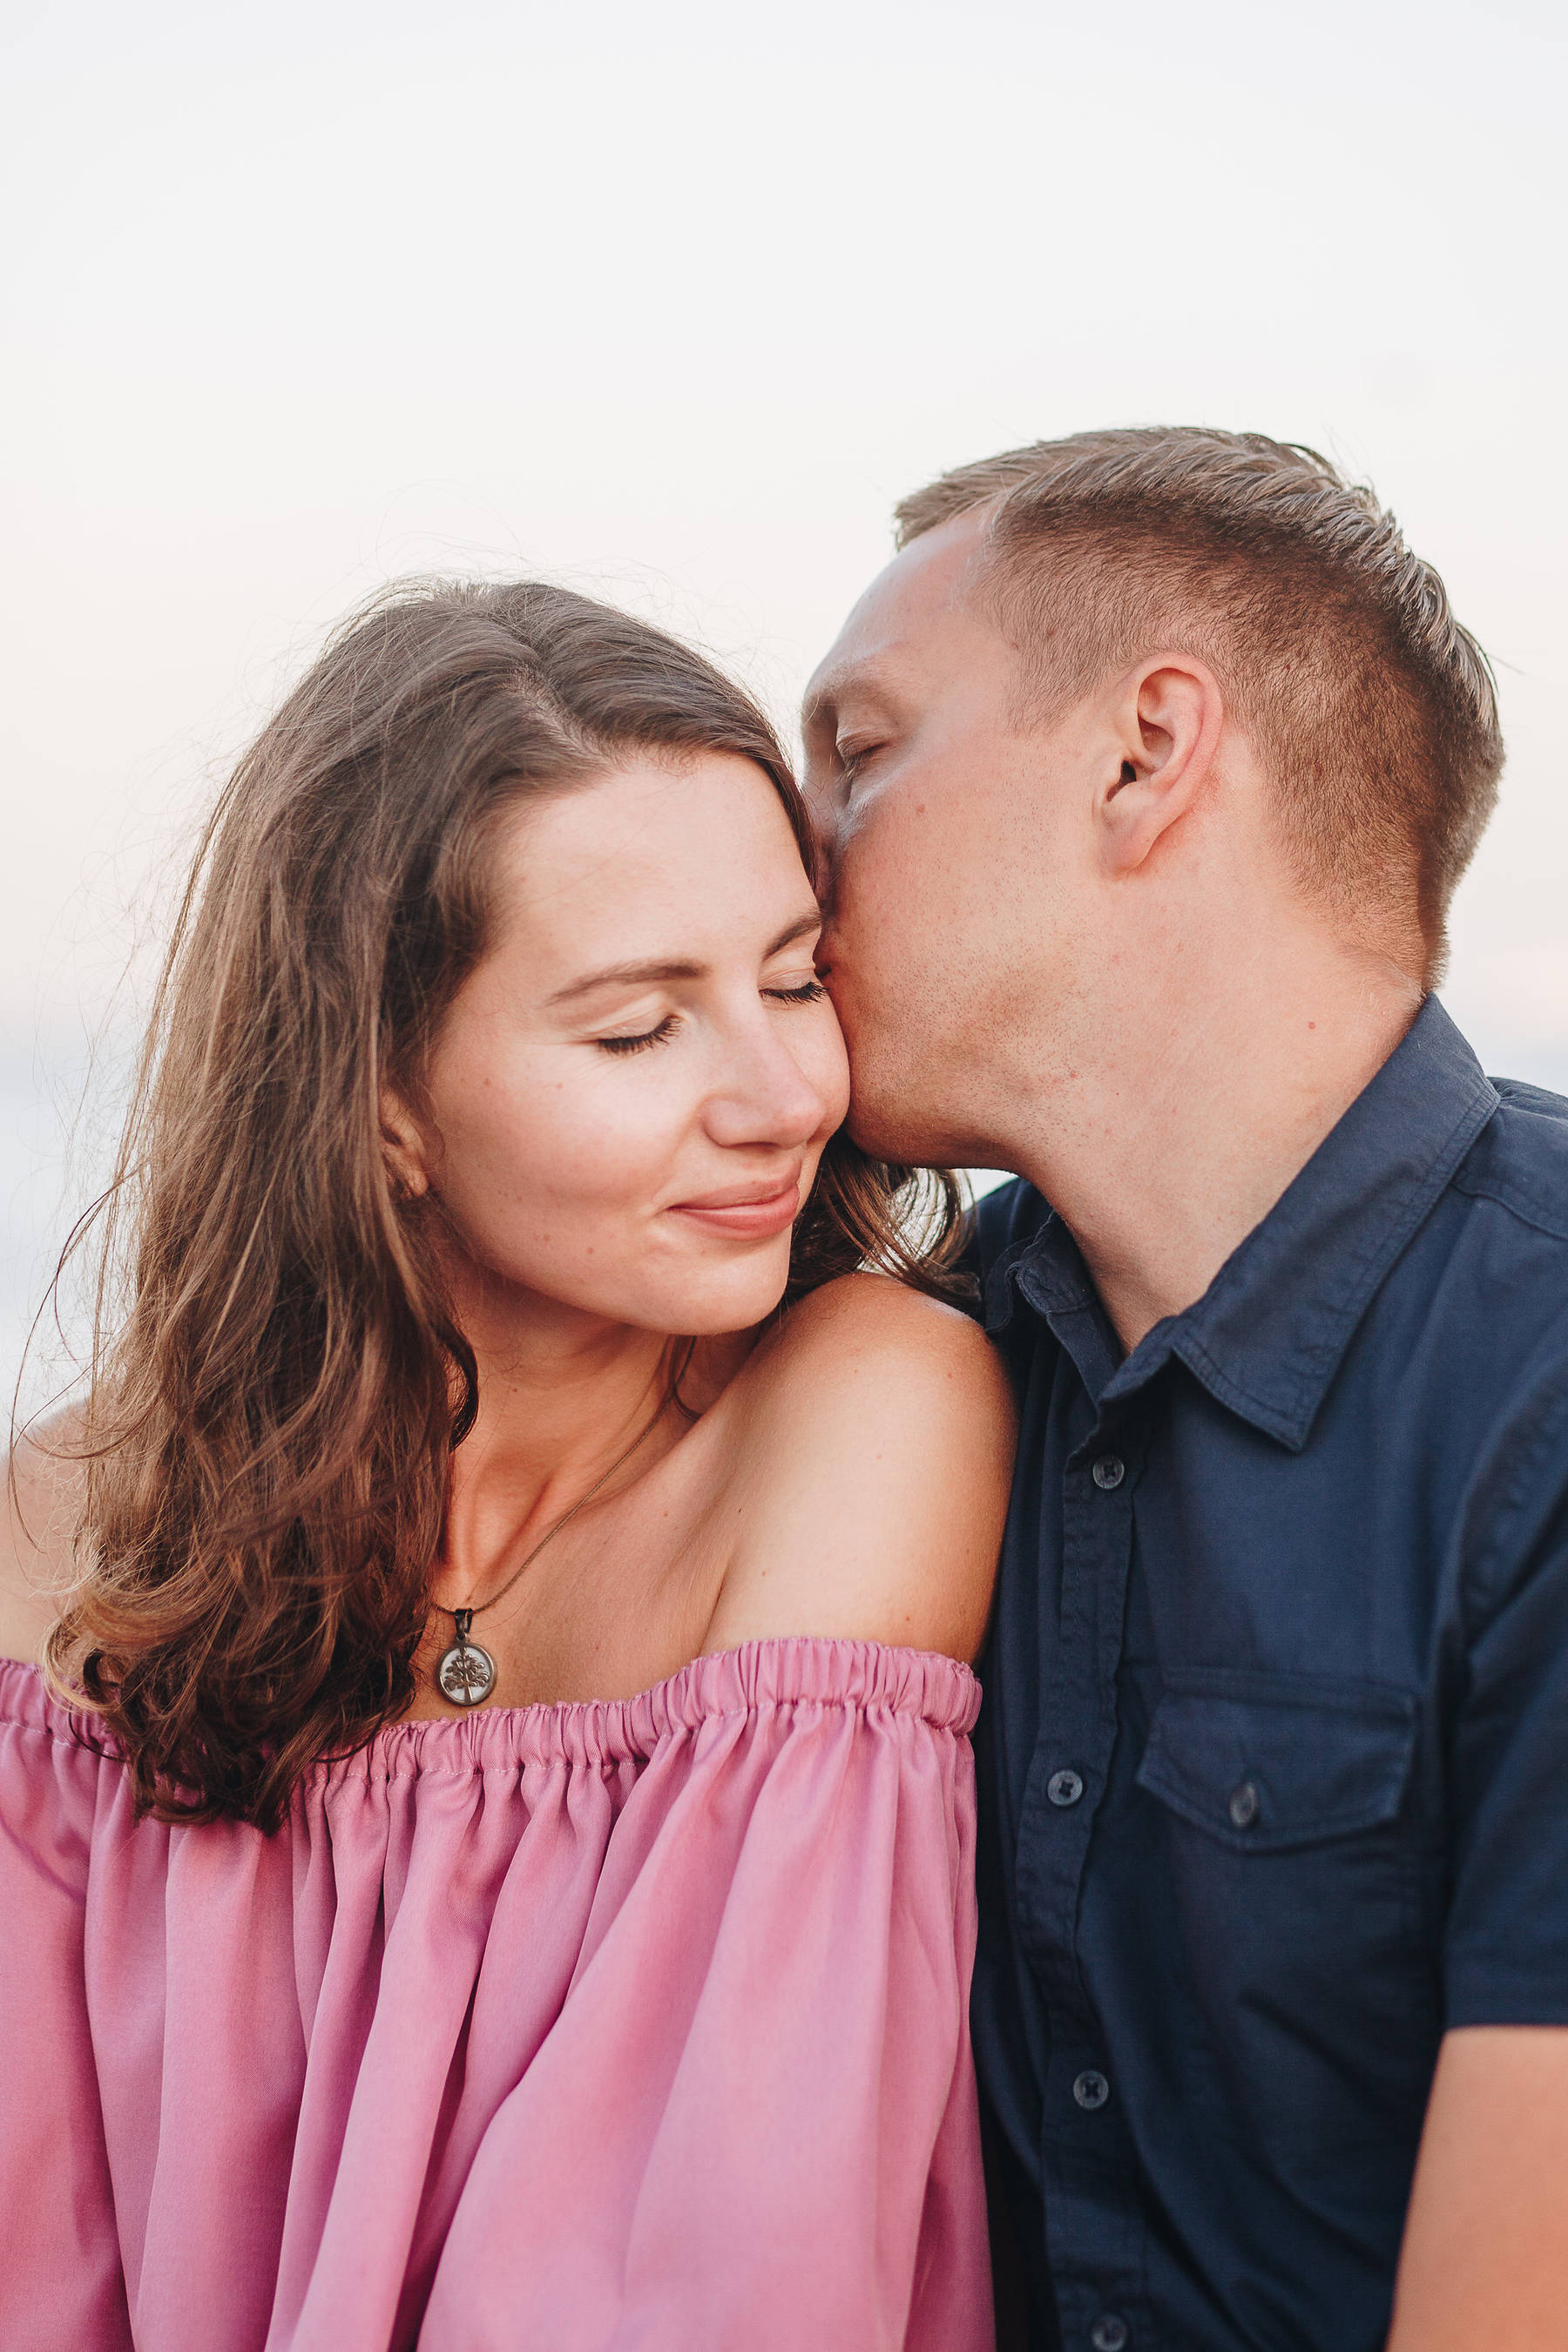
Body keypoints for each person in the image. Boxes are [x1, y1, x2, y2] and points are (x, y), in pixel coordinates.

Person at [0, 582, 1016, 2351]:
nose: (783, 1096)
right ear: (379, 1093)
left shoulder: (861, 1410)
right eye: (639, 1028)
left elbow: (736, 2267)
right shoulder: (57, 1527)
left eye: (794, 978)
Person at [801, 424, 1568, 2352]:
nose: (783, 860)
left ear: (1146, 755)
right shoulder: (901, 1376)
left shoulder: (1541, 1388)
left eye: (861, 751)